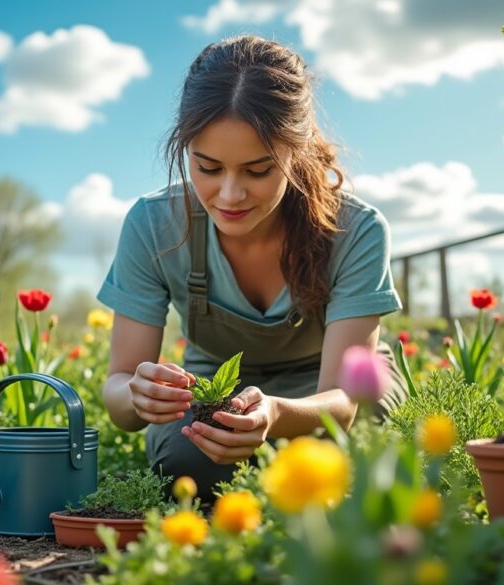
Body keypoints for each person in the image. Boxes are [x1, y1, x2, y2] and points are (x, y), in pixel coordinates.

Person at [97, 35, 405, 502]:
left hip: (328, 394)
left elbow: (342, 402)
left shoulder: (356, 230)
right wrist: (137, 393)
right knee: (187, 459)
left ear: (294, 154)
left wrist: (276, 416)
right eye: (208, 167)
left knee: (363, 446)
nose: (229, 194)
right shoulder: (152, 225)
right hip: (217, 395)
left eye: (258, 170)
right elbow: (119, 397)